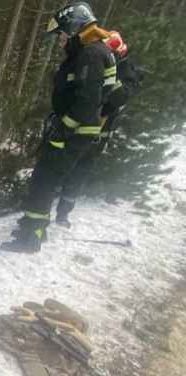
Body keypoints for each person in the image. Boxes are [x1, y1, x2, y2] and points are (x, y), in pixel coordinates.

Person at [1, 1, 116, 253]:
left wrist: (62, 129)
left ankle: (32, 237)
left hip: (73, 133)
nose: (61, 40)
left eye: (63, 34)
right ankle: (32, 224)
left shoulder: (90, 54)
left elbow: (87, 101)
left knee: (44, 180)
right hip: (74, 131)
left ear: (74, 28)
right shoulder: (91, 51)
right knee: (43, 177)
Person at [54, 29, 139, 227]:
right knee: (58, 167)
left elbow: (118, 98)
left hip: (98, 133)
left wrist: (105, 79)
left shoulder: (126, 72)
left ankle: (63, 214)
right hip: (76, 125)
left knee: (78, 173)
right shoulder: (91, 60)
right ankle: (41, 206)